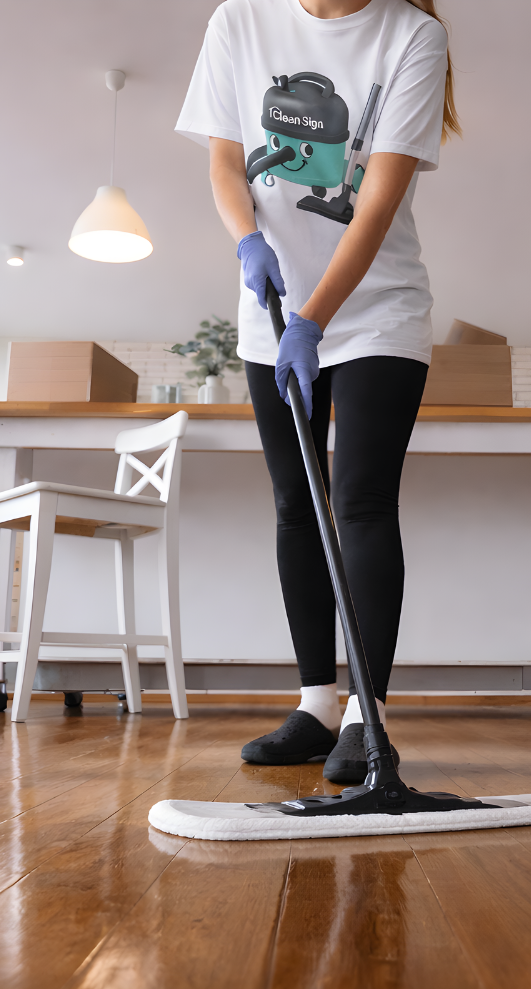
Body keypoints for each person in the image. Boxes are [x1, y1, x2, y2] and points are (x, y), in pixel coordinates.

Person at [176, 0, 458, 783]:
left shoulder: (412, 35)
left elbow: (376, 203)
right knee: (297, 504)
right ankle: (317, 705)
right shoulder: (238, 20)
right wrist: (244, 237)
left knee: (361, 501)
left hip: (375, 310)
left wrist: (314, 319)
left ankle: (370, 718)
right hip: (271, 311)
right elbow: (225, 160)